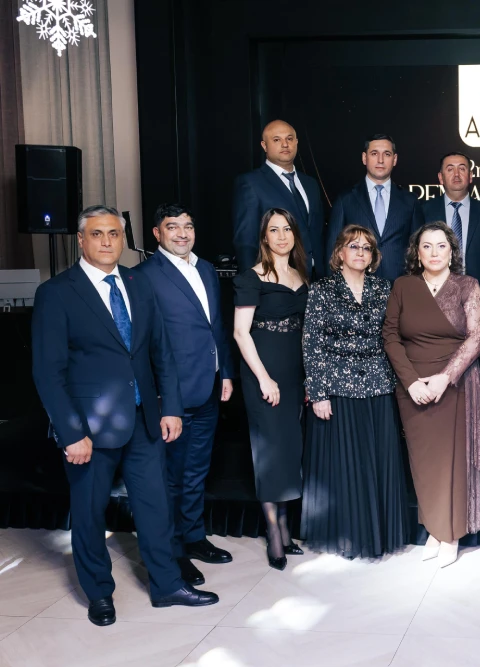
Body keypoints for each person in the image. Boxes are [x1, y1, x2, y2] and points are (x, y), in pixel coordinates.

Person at [31, 205, 218, 627]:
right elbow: (47, 371)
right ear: (81, 240)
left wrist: (171, 408)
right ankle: (99, 593)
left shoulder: (138, 282)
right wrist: (70, 432)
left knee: (155, 507)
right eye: (97, 234)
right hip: (89, 428)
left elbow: (161, 352)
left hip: (144, 418)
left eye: (114, 234)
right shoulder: (57, 292)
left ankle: (167, 585)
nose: (106, 242)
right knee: (90, 512)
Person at [135, 203, 236, 587]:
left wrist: (226, 372)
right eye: (173, 227)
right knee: (172, 477)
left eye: (188, 226)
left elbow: (216, 326)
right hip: (173, 396)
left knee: (196, 471)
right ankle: (173, 551)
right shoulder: (145, 276)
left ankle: (193, 537)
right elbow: (146, 344)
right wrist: (163, 399)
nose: (182, 233)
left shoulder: (206, 269)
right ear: (157, 233)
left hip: (208, 386)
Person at [383, 221, 480, 567]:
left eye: (441, 246)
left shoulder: (467, 285)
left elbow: (477, 336)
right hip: (412, 387)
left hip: (453, 385)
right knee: (423, 462)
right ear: (417, 252)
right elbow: (390, 336)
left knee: (450, 461)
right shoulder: (403, 286)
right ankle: (434, 527)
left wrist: (445, 378)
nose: (434, 253)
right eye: (426, 246)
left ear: (452, 251)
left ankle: (451, 533)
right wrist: (411, 382)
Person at [301, 225, 408, 558]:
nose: (360, 252)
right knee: (347, 467)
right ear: (340, 253)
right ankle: (350, 538)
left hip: (378, 385)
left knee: (377, 464)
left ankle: (379, 536)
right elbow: (311, 343)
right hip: (338, 387)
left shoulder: (384, 288)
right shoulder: (322, 290)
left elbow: (392, 336)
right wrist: (318, 392)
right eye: (353, 246)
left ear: (373, 255)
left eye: (366, 248)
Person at [232, 208, 309, 570]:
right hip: (263, 372)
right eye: (274, 230)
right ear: (264, 237)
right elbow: (240, 332)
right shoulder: (252, 277)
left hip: (294, 374)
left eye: (287, 229)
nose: (281, 236)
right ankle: (274, 532)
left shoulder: (302, 275)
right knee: (268, 452)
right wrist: (264, 378)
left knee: (289, 451)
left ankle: (287, 527)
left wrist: (308, 378)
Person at [325, 134, 424, 282]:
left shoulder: (410, 201)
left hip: (400, 287)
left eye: (387, 154)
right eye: (374, 153)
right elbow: (333, 249)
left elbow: (419, 249)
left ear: (395, 159)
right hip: (356, 287)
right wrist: (335, 288)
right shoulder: (345, 200)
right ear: (364, 158)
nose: (380, 160)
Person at [232, 119, 325, 277]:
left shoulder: (311, 184)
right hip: (275, 279)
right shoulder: (251, 183)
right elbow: (245, 242)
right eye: (276, 140)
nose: (285, 144)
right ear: (264, 145)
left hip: (317, 278)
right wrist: (250, 284)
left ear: (296, 142)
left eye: (289, 139)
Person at [421, 151, 480, 300]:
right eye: (450, 169)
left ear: (470, 176)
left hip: (478, 297)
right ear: (441, 177)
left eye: (462, 168)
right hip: (433, 296)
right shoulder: (424, 211)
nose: (456, 174)